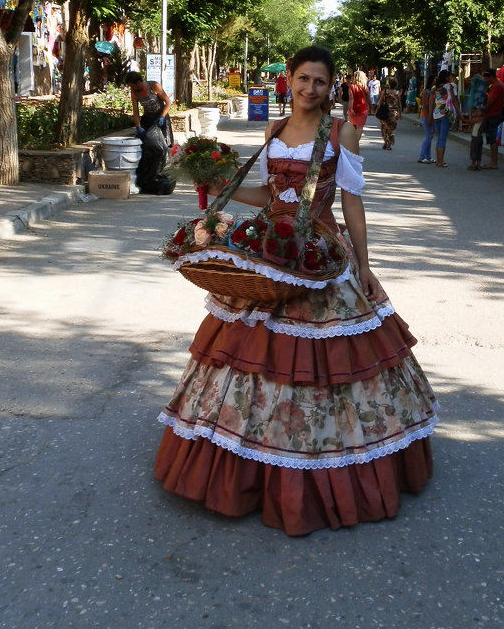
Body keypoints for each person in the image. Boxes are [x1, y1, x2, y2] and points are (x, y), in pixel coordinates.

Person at [154, 45, 438, 536]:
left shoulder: (340, 132)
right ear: (290, 79)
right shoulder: (274, 130)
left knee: (327, 361)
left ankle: (328, 455)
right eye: (303, 79)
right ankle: (249, 454)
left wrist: (365, 266)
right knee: (250, 351)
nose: (310, 89)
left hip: (320, 253)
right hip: (272, 248)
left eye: (320, 82)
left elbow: (352, 202)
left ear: (332, 87)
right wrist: (217, 176)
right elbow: (267, 197)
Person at [127, 71, 175, 194]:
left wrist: (162, 117)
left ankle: (159, 174)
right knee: (147, 148)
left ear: (138, 82)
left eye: (133, 85)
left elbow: (168, 102)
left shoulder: (153, 86)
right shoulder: (135, 92)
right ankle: (146, 178)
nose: (132, 88)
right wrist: (138, 126)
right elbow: (136, 112)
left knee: (160, 148)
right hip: (147, 120)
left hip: (160, 119)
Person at [481, 71, 504, 170]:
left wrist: (483, 110)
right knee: (491, 139)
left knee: (492, 140)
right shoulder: (500, 85)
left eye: (486, 79)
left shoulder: (497, 87)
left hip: (493, 114)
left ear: (490, 77)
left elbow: (490, 102)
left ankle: (493, 162)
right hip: (496, 113)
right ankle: (493, 161)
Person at [430, 70, 458, 168]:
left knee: (439, 138)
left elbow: (432, 102)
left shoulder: (435, 88)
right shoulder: (450, 86)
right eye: (450, 76)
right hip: (445, 113)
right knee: (443, 139)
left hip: (436, 113)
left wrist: (430, 115)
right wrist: (458, 113)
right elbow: (454, 100)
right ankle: (440, 161)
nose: (451, 78)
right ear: (446, 77)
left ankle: (438, 160)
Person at [416, 74, 437, 164]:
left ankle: (428, 157)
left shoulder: (433, 92)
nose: (436, 82)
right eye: (434, 80)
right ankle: (421, 156)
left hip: (432, 115)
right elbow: (424, 105)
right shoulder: (426, 92)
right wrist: (428, 117)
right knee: (428, 136)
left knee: (430, 136)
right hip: (426, 115)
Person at [378, 77, 402, 150]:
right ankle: (389, 142)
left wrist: (379, 109)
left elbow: (380, 102)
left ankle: (386, 141)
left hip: (385, 112)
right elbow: (399, 104)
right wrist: (400, 114)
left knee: (384, 127)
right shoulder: (397, 93)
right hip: (394, 113)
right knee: (391, 128)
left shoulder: (384, 92)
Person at [347, 69, 370, 140]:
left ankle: (353, 142)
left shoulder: (352, 87)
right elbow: (368, 99)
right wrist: (370, 107)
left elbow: (351, 99)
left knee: (353, 126)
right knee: (360, 127)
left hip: (353, 108)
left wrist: (351, 109)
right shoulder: (366, 87)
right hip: (363, 109)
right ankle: (356, 143)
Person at [467, 106, 486, 170]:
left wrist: (470, 114)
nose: (477, 112)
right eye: (476, 111)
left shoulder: (479, 119)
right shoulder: (480, 118)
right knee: (478, 151)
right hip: (478, 137)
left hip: (476, 137)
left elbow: (470, 121)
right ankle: (478, 165)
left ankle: (473, 165)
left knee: (474, 151)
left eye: (479, 111)